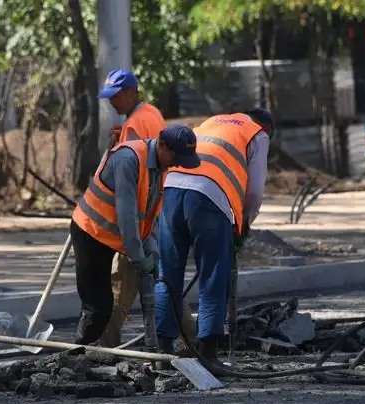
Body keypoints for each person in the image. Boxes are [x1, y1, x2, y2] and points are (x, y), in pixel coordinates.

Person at [154, 108, 273, 364]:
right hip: (209, 198)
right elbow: (254, 193)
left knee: (168, 272)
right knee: (213, 274)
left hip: (172, 189)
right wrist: (243, 226)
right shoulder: (258, 134)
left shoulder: (212, 121)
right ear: (267, 127)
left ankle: (163, 350)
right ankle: (208, 352)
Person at [69, 124, 200, 346]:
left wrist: (152, 250)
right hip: (91, 233)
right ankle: (77, 354)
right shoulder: (128, 160)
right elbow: (127, 217)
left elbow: (149, 214)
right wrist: (139, 257)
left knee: (106, 305)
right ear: (162, 145)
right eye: (176, 157)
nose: (178, 164)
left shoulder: (159, 167)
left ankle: (93, 351)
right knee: (98, 308)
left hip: (112, 237)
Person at [94, 68, 175, 348]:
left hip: (138, 218)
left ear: (131, 92)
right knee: (161, 282)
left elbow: (126, 180)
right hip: (153, 210)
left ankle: (104, 345)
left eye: (116, 96)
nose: (111, 102)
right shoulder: (152, 114)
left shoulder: (134, 125)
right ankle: (188, 340)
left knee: (121, 284)